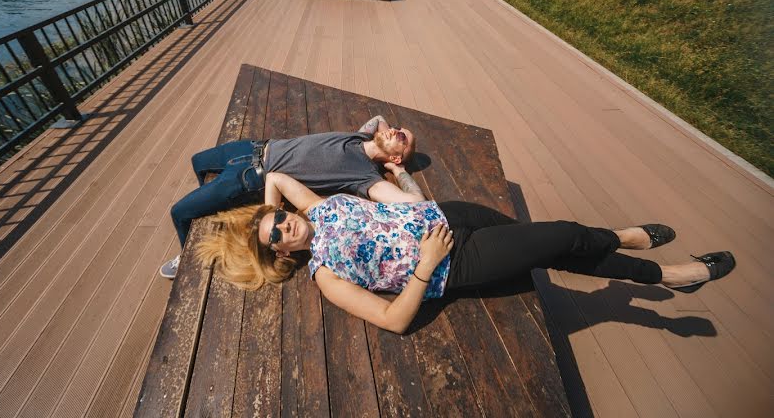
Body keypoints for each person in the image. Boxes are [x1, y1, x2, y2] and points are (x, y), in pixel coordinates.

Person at [196, 172, 736, 334]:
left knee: (559, 245)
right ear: (282, 258)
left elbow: (276, 177)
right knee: (564, 235)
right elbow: (392, 319)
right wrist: (427, 266)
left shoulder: (313, 211)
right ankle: (655, 266)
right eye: (279, 237)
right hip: (456, 263)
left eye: (281, 221)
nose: (287, 226)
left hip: (453, 214)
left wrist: (255, 222)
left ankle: (634, 249)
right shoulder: (325, 275)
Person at [159, 115, 423, 278]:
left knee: (179, 212)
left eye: (401, 136)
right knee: (197, 162)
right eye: (397, 127)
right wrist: (388, 135)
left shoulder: (367, 178)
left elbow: (415, 203)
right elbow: (378, 118)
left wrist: (398, 171)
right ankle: (211, 200)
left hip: (251, 176)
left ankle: (185, 256)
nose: (394, 130)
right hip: (255, 146)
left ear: (397, 156)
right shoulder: (360, 136)